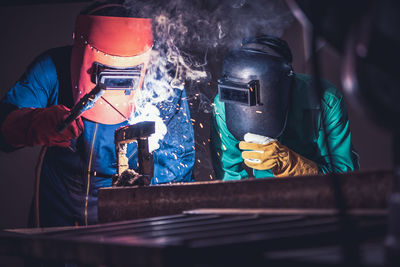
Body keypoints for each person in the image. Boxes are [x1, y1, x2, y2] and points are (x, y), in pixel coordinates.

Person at [0, 1, 195, 227]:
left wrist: (142, 191)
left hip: (126, 203)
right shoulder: (52, 67)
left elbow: (178, 162)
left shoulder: (163, 84)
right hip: (58, 199)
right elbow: (4, 127)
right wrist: (33, 124)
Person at [210, 35, 359, 180]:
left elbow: (344, 176)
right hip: (264, 193)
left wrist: (292, 165)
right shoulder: (225, 104)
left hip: (315, 188)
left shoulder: (325, 99)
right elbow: (229, 175)